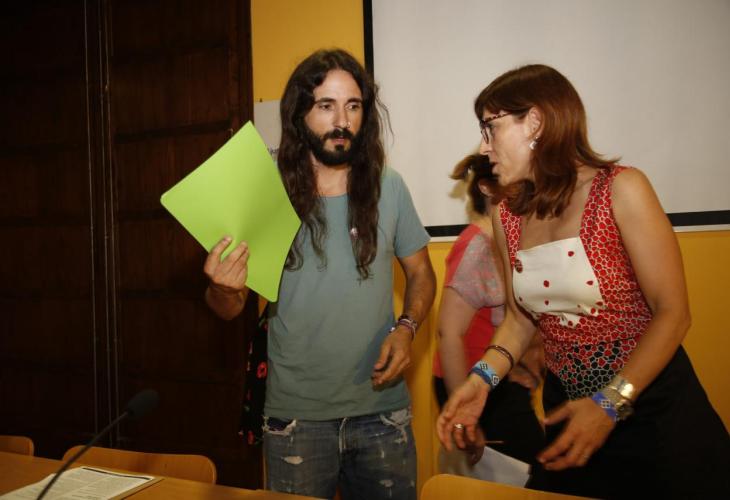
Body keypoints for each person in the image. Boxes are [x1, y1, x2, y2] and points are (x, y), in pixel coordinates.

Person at [436, 64, 730, 498]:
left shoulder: (621, 190)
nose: (484, 146)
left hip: (652, 411)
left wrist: (610, 402)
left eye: (490, 127)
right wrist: (480, 381)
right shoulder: (507, 215)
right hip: (568, 413)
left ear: (534, 122)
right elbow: (519, 320)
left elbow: (673, 314)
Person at [204, 49, 436, 500]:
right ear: (299, 114)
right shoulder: (264, 191)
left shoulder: (389, 186)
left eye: (353, 106)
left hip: (383, 412)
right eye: (326, 106)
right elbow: (227, 308)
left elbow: (422, 274)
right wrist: (220, 285)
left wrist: (407, 327)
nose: (342, 121)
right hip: (296, 419)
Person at [432, 153, 544, 471]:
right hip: (471, 384)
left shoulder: (513, 238)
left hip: (500, 379)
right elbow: (449, 333)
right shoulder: (478, 245)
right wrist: (463, 417)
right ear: (486, 188)